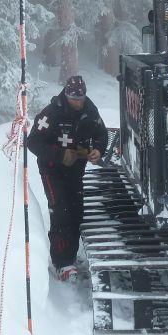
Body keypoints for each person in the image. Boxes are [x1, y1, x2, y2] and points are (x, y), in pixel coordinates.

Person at [26, 75, 108, 283]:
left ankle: (70, 254)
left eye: (80, 98)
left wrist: (98, 150)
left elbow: (101, 133)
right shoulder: (51, 113)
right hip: (52, 170)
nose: (78, 102)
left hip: (76, 170)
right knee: (60, 209)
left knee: (76, 210)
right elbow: (33, 142)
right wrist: (60, 155)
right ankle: (61, 262)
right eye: (74, 98)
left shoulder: (90, 110)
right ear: (66, 95)